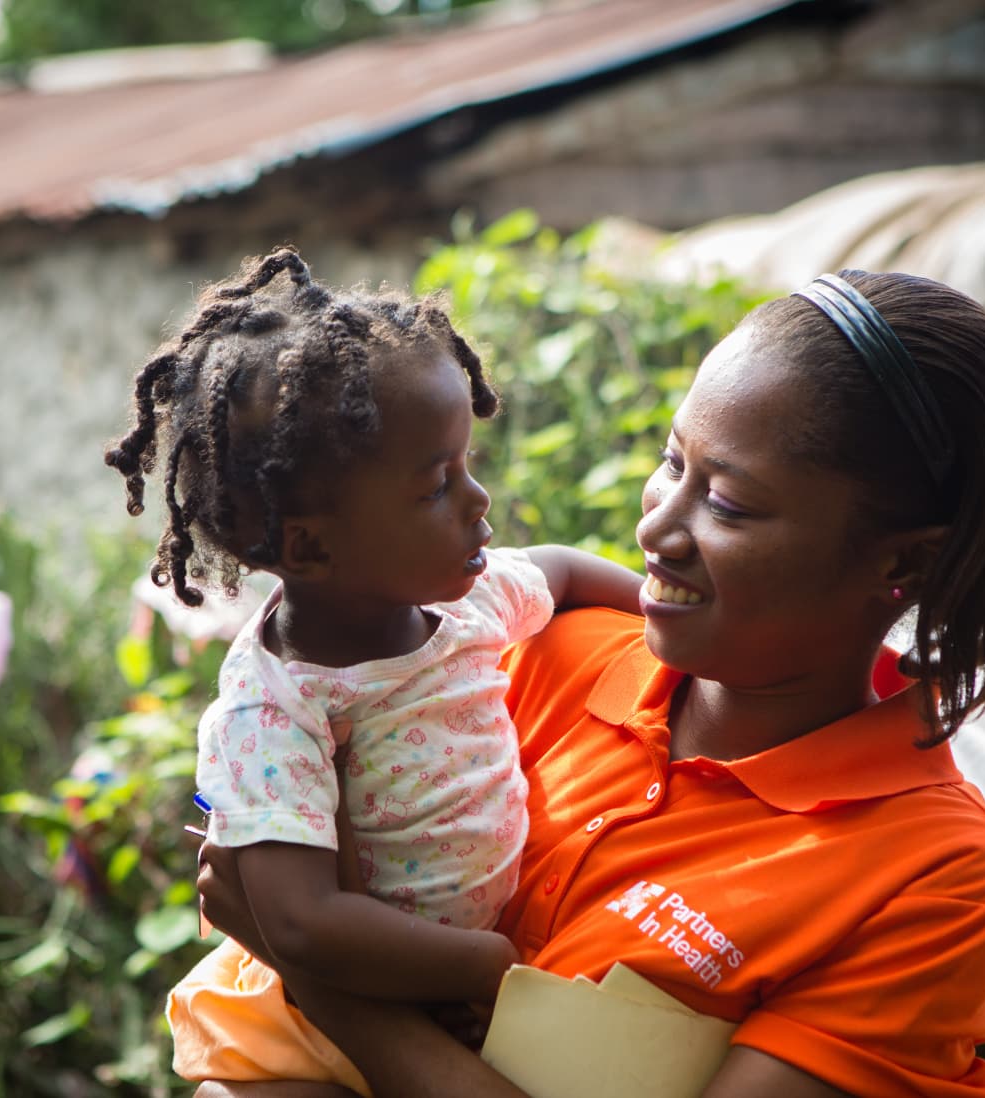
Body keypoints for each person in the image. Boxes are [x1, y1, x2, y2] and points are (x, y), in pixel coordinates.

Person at [194, 270, 985, 1097]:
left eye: (726, 504)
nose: (656, 524)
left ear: (904, 561)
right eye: (672, 460)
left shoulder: (935, 880)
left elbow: (297, 933)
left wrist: (319, 978)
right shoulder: (526, 665)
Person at [102, 248, 642, 1097]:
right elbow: (299, 924)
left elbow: (567, 570)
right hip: (300, 1033)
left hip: (436, 1005)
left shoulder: (470, 602)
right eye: (436, 487)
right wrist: (480, 964)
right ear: (313, 545)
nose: (479, 502)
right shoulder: (277, 709)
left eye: (467, 465)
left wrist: (662, 606)